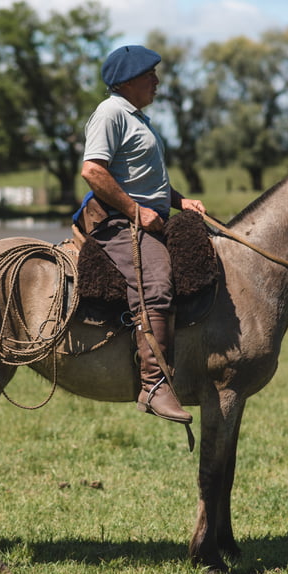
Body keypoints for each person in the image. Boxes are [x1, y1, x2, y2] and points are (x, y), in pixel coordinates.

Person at [79, 45, 205, 425]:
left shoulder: (139, 119)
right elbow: (92, 170)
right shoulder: (111, 113)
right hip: (118, 222)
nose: (156, 81)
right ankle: (154, 385)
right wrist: (136, 211)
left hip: (144, 217)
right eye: (149, 75)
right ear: (127, 81)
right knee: (156, 281)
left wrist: (180, 201)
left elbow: (145, 181)